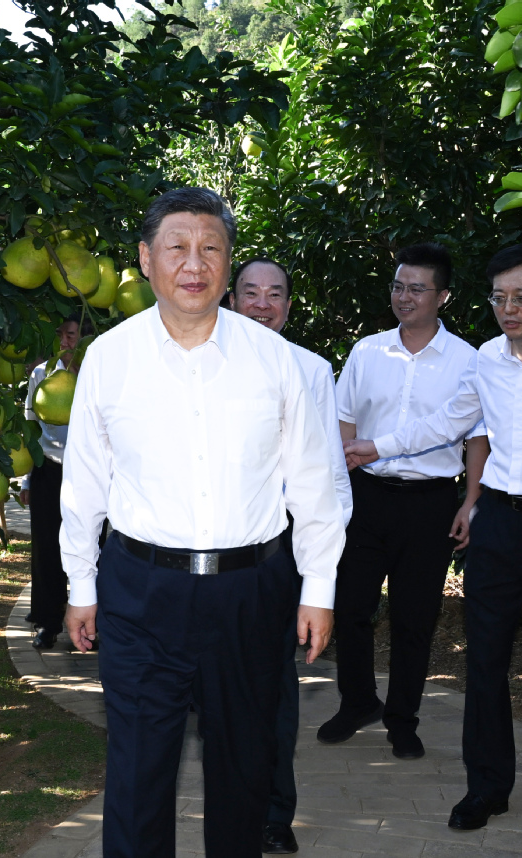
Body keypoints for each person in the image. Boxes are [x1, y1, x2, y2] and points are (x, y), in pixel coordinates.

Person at [59, 187, 346, 858]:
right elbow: (83, 486)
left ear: (227, 261)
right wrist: (80, 585)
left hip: (249, 592)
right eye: (176, 247)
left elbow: (313, 485)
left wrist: (319, 589)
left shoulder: (277, 362)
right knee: (136, 775)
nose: (194, 263)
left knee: (245, 772)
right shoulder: (110, 358)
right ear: (145, 259)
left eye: (210, 247)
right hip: (138, 592)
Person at [343, 244, 522, 831]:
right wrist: (377, 446)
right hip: (496, 522)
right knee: (485, 660)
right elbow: (448, 420)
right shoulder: (487, 360)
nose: (508, 309)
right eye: (499, 298)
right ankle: (487, 786)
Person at [318, 243, 489, 760]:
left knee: (415, 619)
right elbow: (344, 420)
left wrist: (471, 502)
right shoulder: (367, 351)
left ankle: (402, 719)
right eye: (398, 286)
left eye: (417, 288)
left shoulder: (469, 360)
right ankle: (358, 702)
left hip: (430, 504)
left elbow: (477, 438)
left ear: (443, 296)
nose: (404, 297)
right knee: (350, 608)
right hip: (366, 499)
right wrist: (342, 491)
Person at [230, 257, 352, 855]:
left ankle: (275, 814)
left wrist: (317, 574)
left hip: (279, 559)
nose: (262, 303)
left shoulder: (311, 370)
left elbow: (330, 473)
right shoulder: (200, 364)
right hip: (204, 561)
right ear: (230, 298)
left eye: (274, 294)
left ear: (287, 306)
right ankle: (230, 806)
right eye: (250, 292)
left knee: (275, 693)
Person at [20, 314, 83, 649]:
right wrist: (27, 479)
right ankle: (48, 622)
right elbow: (30, 426)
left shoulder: (93, 372)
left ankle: (89, 624)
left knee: (91, 547)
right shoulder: (41, 373)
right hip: (49, 467)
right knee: (47, 548)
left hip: (87, 471)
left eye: (71, 335)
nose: (65, 342)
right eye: (60, 335)